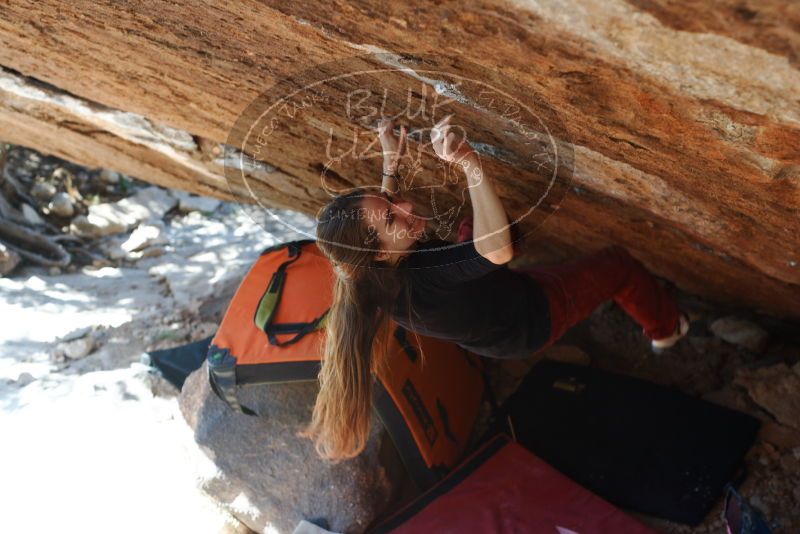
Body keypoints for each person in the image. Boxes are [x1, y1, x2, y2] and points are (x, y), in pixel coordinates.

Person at [299, 115, 689, 462]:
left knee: (477, 222)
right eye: (392, 216)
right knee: (616, 264)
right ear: (381, 254)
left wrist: (391, 163)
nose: (406, 206)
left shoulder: (365, 274)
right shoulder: (422, 274)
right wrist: (470, 163)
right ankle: (667, 330)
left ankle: (502, 247)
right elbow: (496, 251)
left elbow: (382, 217)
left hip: (495, 307)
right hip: (532, 315)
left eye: (389, 200)